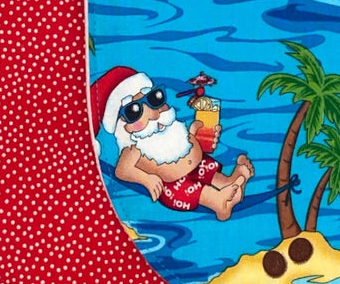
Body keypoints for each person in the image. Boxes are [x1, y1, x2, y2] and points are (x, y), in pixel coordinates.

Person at [91, 66, 254, 220]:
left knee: (204, 167)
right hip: (174, 185)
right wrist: (146, 179)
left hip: (196, 166)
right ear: (123, 124)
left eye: (154, 99)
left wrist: (196, 136)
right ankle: (219, 202)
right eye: (134, 111)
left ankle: (228, 182)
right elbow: (122, 170)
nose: (154, 114)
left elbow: (179, 146)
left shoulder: (170, 128)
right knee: (185, 188)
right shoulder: (134, 148)